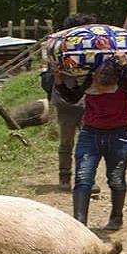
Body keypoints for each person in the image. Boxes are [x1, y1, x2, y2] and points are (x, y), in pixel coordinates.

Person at [72, 52, 127, 230]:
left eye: (107, 87)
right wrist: (58, 79)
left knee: (116, 179)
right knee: (83, 178)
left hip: (119, 136)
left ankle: (116, 218)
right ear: (94, 76)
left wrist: (125, 65)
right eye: (99, 86)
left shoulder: (125, 82)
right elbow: (70, 97)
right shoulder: (87, 80)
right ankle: (79, 225)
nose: (101, 90)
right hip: (90, 135)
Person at [39, 13, 102, 193]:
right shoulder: (60, 48)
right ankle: (64, 176)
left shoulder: (93, 48)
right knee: (67, 142)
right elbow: (50, 72)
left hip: (89, 101)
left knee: (90, 143)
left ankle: (87, 179)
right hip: (66, 102)